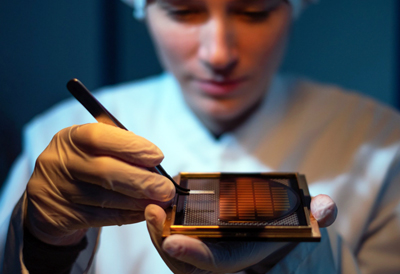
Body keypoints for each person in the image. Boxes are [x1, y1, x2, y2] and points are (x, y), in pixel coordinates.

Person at [1, 0, 399, 273]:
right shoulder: (60, 134)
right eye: (183, 10)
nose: (218, 54)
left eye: (253, 10)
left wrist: (301, 263)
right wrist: (44, 245)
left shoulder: (382, 143)